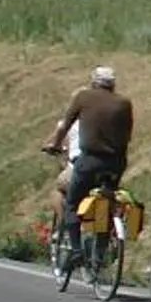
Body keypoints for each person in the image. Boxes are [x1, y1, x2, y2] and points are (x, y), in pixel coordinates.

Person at [42, 66, 135, 238]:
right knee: (106, 203)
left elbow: (64, 126)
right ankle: (99, 256)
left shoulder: (83, 97)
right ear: (113, 85)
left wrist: (55, 144)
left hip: (90, 161)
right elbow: (127, 133)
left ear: (93, 82)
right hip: (116, 163)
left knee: (71, 203)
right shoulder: (124, 103)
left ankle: (75, 248)